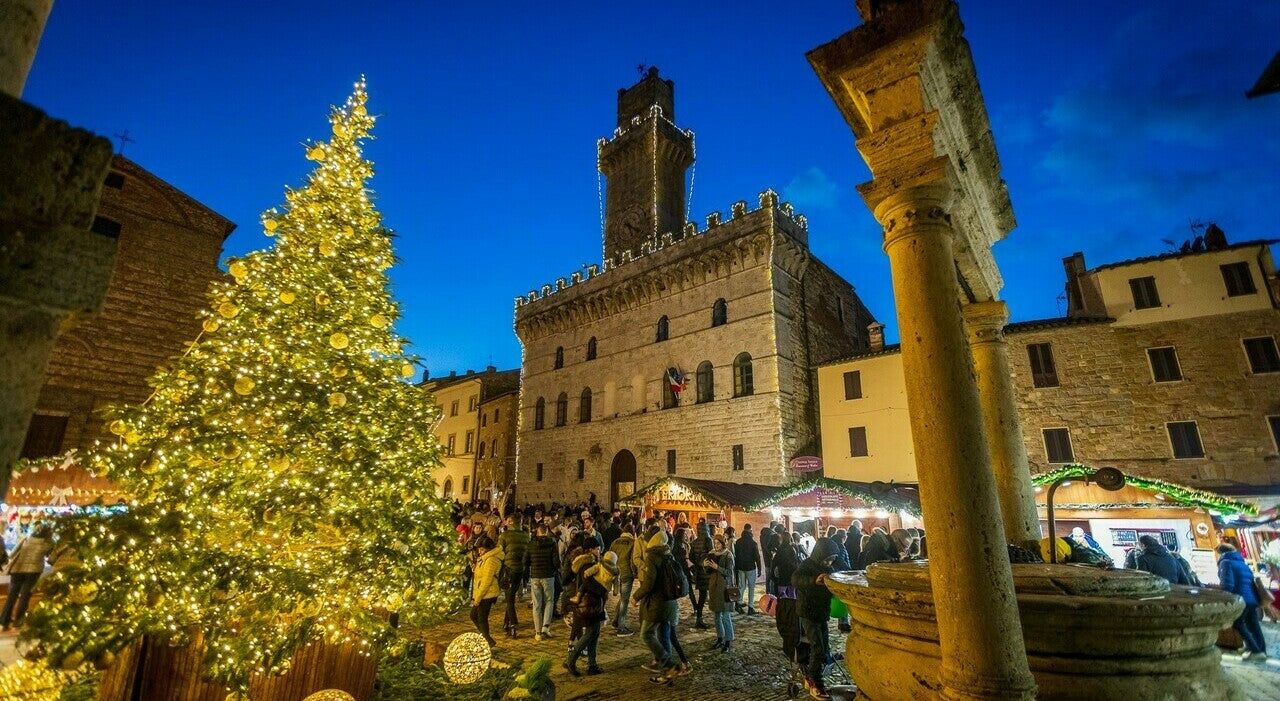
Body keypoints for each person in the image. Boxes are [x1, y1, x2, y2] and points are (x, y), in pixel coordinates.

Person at [794, 538, 840, 700]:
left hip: (821, 612)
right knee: (818, 647)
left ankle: (812, 675)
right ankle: (815, 682)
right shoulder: (807, 565)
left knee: (824, 646)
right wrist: (814, 581)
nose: (829, 563)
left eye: (831, 559)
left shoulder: (829, 568)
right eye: (827, 559)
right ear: (820, 554)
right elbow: (796, 580)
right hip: (808, 611)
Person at [633, 529, 679, 685]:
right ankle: (668, 676)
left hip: (657, 603)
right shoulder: (668, 554)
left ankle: (668, 663)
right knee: (664, 636)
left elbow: (649, 583)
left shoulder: (652, 556)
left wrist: (636, 596)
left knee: (646, 634)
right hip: (670, 602)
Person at [565, 551, 615, 676]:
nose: (599, 550)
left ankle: (592, 664)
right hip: (590, 604)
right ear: (591, 549)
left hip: (595, 603)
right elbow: (588, 583)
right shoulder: (587, 566)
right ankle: (571, 659)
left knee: (595, 633)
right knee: (591, 633)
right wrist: (603, 590)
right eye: (597, 547)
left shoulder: (593, 564)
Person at [1218, 543, 1268, 660]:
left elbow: (1228, 584)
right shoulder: (1242, 562)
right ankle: (1261, 650)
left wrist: (1225, 597)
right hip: (1251, 598)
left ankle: (1254, 650)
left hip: (1240, 598)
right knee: (1253, 624)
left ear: (1221, 552)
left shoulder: (1225, 562)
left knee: (1237, 623)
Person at [0, 524, 53, 631]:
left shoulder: (26, 539)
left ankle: (4, 621)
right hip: (33, 572)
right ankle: (18, 622)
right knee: (25, 596)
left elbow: (12, 554)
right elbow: (51, 559)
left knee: (12, 595)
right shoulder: (47, 543)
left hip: (17, 569)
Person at [525, 522, 560, 641]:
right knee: (549, 601)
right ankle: (546, 626)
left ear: (537, 531)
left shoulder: (531, 544)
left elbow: (526, 560)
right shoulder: (552, 543)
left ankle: (538, 632)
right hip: (548, 575)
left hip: (535, 575)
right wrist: (555, 569)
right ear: (546, 532)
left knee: (537, 604)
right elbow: (556, 561)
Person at [772, 531, 802, 664]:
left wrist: (773, 576)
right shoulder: (793, 548)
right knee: (793, 596)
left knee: (782, 597)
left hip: (783, 577)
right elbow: (796, 562)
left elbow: (775, 563)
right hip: (792, 577)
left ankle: (785, 613)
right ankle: (794, 614)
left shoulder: (780, 550)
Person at [498, 515, 531, 638]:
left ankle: (513, 624)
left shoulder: (504, 535)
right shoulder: (526, 535)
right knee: (510, 595)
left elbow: (500, 552)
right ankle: (506, 622)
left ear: (510, 521)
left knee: (509, 598)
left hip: (509, 568)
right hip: (520, 570)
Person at [704, 534, 737, 652]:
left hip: (725, 588)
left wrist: (717, 567)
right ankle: (719, 638)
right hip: (714, 586)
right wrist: (705, 566)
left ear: (722, 543)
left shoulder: (728, 555)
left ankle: (728, 641)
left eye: (718, 543)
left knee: (726, 616)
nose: (716, 545)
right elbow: (708, 571)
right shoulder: (711, 553)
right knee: (717, 616)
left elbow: (729, 572)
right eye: (715, 543)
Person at [469, 537, 504, 647]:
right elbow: (481, 575)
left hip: (487, 593)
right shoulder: (484, 558)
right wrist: (475, 569)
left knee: (481, 617)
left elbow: (486, 581)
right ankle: (487, 639)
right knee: (474, 615)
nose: (479, 551)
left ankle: (487, 641)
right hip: (482, 592)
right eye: (479, 549)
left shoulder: (491, 560)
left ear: (488, 549)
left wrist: (477, 599)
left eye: (482, 549)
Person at [607, 523, 637, 636]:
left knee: (622, 597)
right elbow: (632, 560)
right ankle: (621, 626)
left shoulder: (615, 542)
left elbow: (609, 556)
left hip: (615, 572)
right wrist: (634, 573)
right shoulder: (632, 543)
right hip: (626, 573)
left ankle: (616, 620)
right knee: (625, 599)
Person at [689, 521, 712, 628]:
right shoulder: (708, 541)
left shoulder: (694, 542)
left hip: (699, 572)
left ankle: (699, 617)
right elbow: (712, 555)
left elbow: (691, 557)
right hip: (707, 572)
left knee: (702, 596)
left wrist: (698, 563)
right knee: (706, 595)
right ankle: (700, 618)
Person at [734, 523, 762, 614]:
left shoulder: (738, 542)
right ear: (750, 531)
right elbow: (757, 556)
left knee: (742, 586)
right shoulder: (753, 543)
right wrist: (759, 568)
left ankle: (738, 603)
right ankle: (750, 607)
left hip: (740, 567)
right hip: (750, 567)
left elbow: (736, 556)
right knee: (751, 587)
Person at [761, 521, 779, 595]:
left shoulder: (762, 536)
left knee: (768, 577)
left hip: (766, 559)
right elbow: (770, 548)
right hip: (772, 560)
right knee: (772, 577)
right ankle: (771, 594)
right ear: (774, 527)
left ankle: (768, 593)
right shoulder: (772, 536)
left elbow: (765, 548)